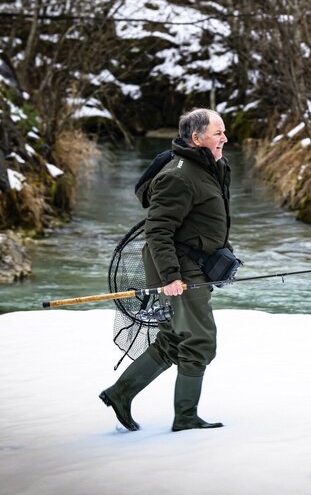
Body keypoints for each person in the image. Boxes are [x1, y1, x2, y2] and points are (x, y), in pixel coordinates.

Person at [100, 108, 231, 432]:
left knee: (175, 337)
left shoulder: (213, 165)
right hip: (179, 270)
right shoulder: (179, 176)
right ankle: (185, 418)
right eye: (218, 133)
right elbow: (157, 231)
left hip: (196, 265)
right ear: (196, 138)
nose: (224, 138)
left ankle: (120, 394)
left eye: (223, 131)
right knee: (199, 341)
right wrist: (171, 276)